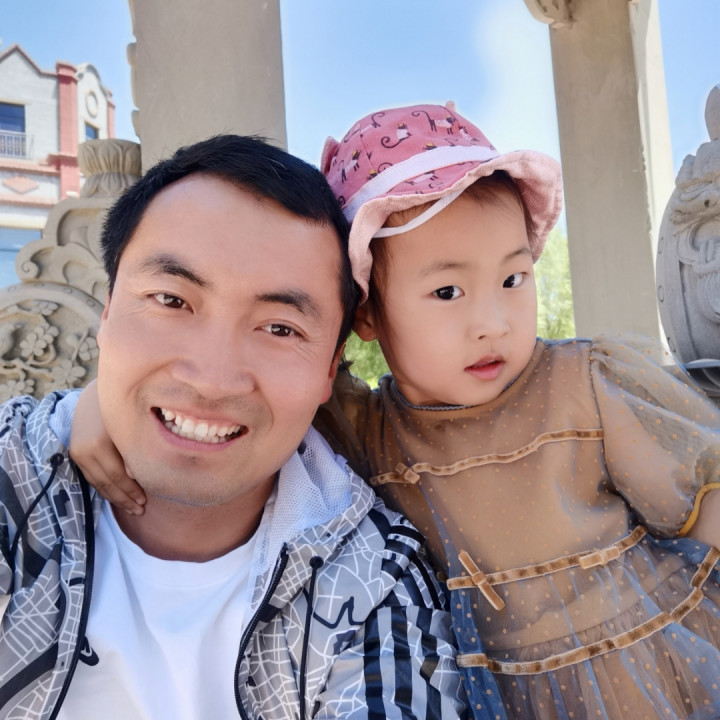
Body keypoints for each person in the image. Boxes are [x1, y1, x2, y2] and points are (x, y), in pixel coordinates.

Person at [71, 106, 720, 719]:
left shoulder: (583, 386)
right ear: (368, 316)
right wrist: (99, 404)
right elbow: (255, 387)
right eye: (447, 291)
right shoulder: (367, 431)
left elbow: (703, 508)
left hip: (658, 672)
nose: (492, 322)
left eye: (513, 279)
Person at [0, 134, 467, 720]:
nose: (213, 380)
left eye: (280, 329)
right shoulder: (15, 475)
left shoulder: (376, 583)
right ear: (109, 308)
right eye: (171, 300)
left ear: (331, 369)